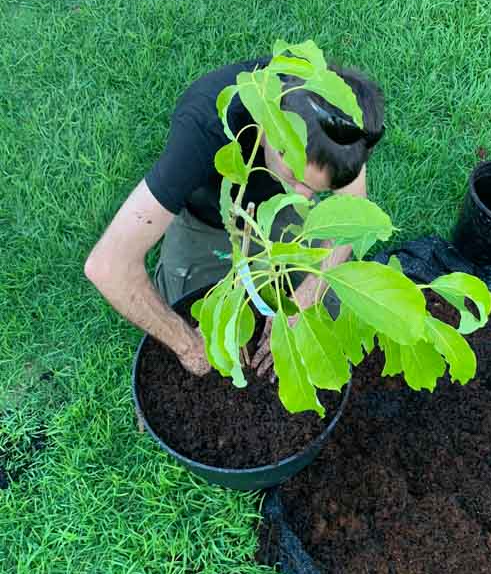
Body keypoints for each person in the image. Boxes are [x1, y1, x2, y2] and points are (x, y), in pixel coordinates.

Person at [84, 55, 384, 378]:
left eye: (316, 190)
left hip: (269, 214)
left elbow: (355, 215)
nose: (301, 198)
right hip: (210, 218)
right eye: (296, 178)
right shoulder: (205, 127)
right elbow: (108, 266)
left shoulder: (338, 120)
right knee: (202, 325)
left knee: (333, 309)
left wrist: (309, 294)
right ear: (275, 133)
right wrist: (190, 347)